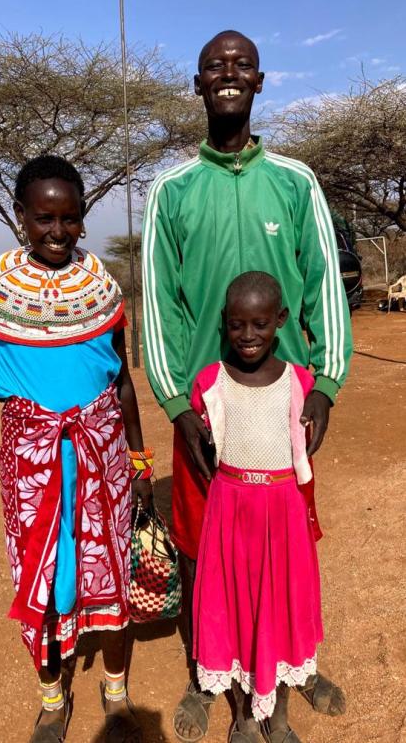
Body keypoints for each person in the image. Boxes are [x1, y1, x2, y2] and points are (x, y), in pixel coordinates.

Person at [141, 30, 351, 742]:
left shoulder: (295, 182)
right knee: (205, 551)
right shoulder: (172, 190)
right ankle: (211, 672)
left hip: (283, 410)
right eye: (213, 67)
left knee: (290, 538)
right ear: (197, 84)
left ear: (260, 80)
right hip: (207, 414)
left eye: (239, 66)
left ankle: (293, 662)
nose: (227, 75)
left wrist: (324, 385)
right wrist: (178, 405)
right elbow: (159, 307)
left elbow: (325, 285)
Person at [0, 155, 151, 743]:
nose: (57, 231)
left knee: (109, 567)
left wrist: (139, 460)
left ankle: (116, 692)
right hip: (32, 462)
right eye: (43, 218)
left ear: (82, 219)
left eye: (69, 218)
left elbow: (120, 379)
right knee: (40, 576)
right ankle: (53, 700)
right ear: (20, 217)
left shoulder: (101, 285)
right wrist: (21, 406)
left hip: (102, 454)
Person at [191, 271, 325, 743]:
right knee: (236, 610)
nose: (248, 336)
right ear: (224, 323)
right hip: (231, 513)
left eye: (260, 324)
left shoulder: (299, 383)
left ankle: (280, 715)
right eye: (236, 325)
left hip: (282, 515)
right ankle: (245, 716)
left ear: (281, 321)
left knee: (282, 610)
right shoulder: (210, 383)